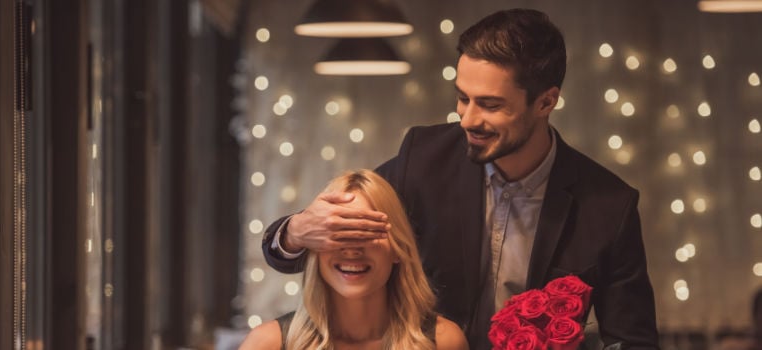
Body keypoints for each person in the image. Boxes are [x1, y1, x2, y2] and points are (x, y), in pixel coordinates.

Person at [262, 8, 659, 349]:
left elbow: (633, 341)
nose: (467, 119)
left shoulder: (610, 206)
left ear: (546, 102)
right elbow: (338, 246)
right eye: (462, 97)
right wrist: (295, 232)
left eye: (490, 105)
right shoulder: (423, 157)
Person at [243, 170, 468, 349]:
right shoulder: (266, 344)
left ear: (398, 248)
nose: (352, 251)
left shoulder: (444, 342)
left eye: (367, 233)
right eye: (340, 234)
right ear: (315, 245)